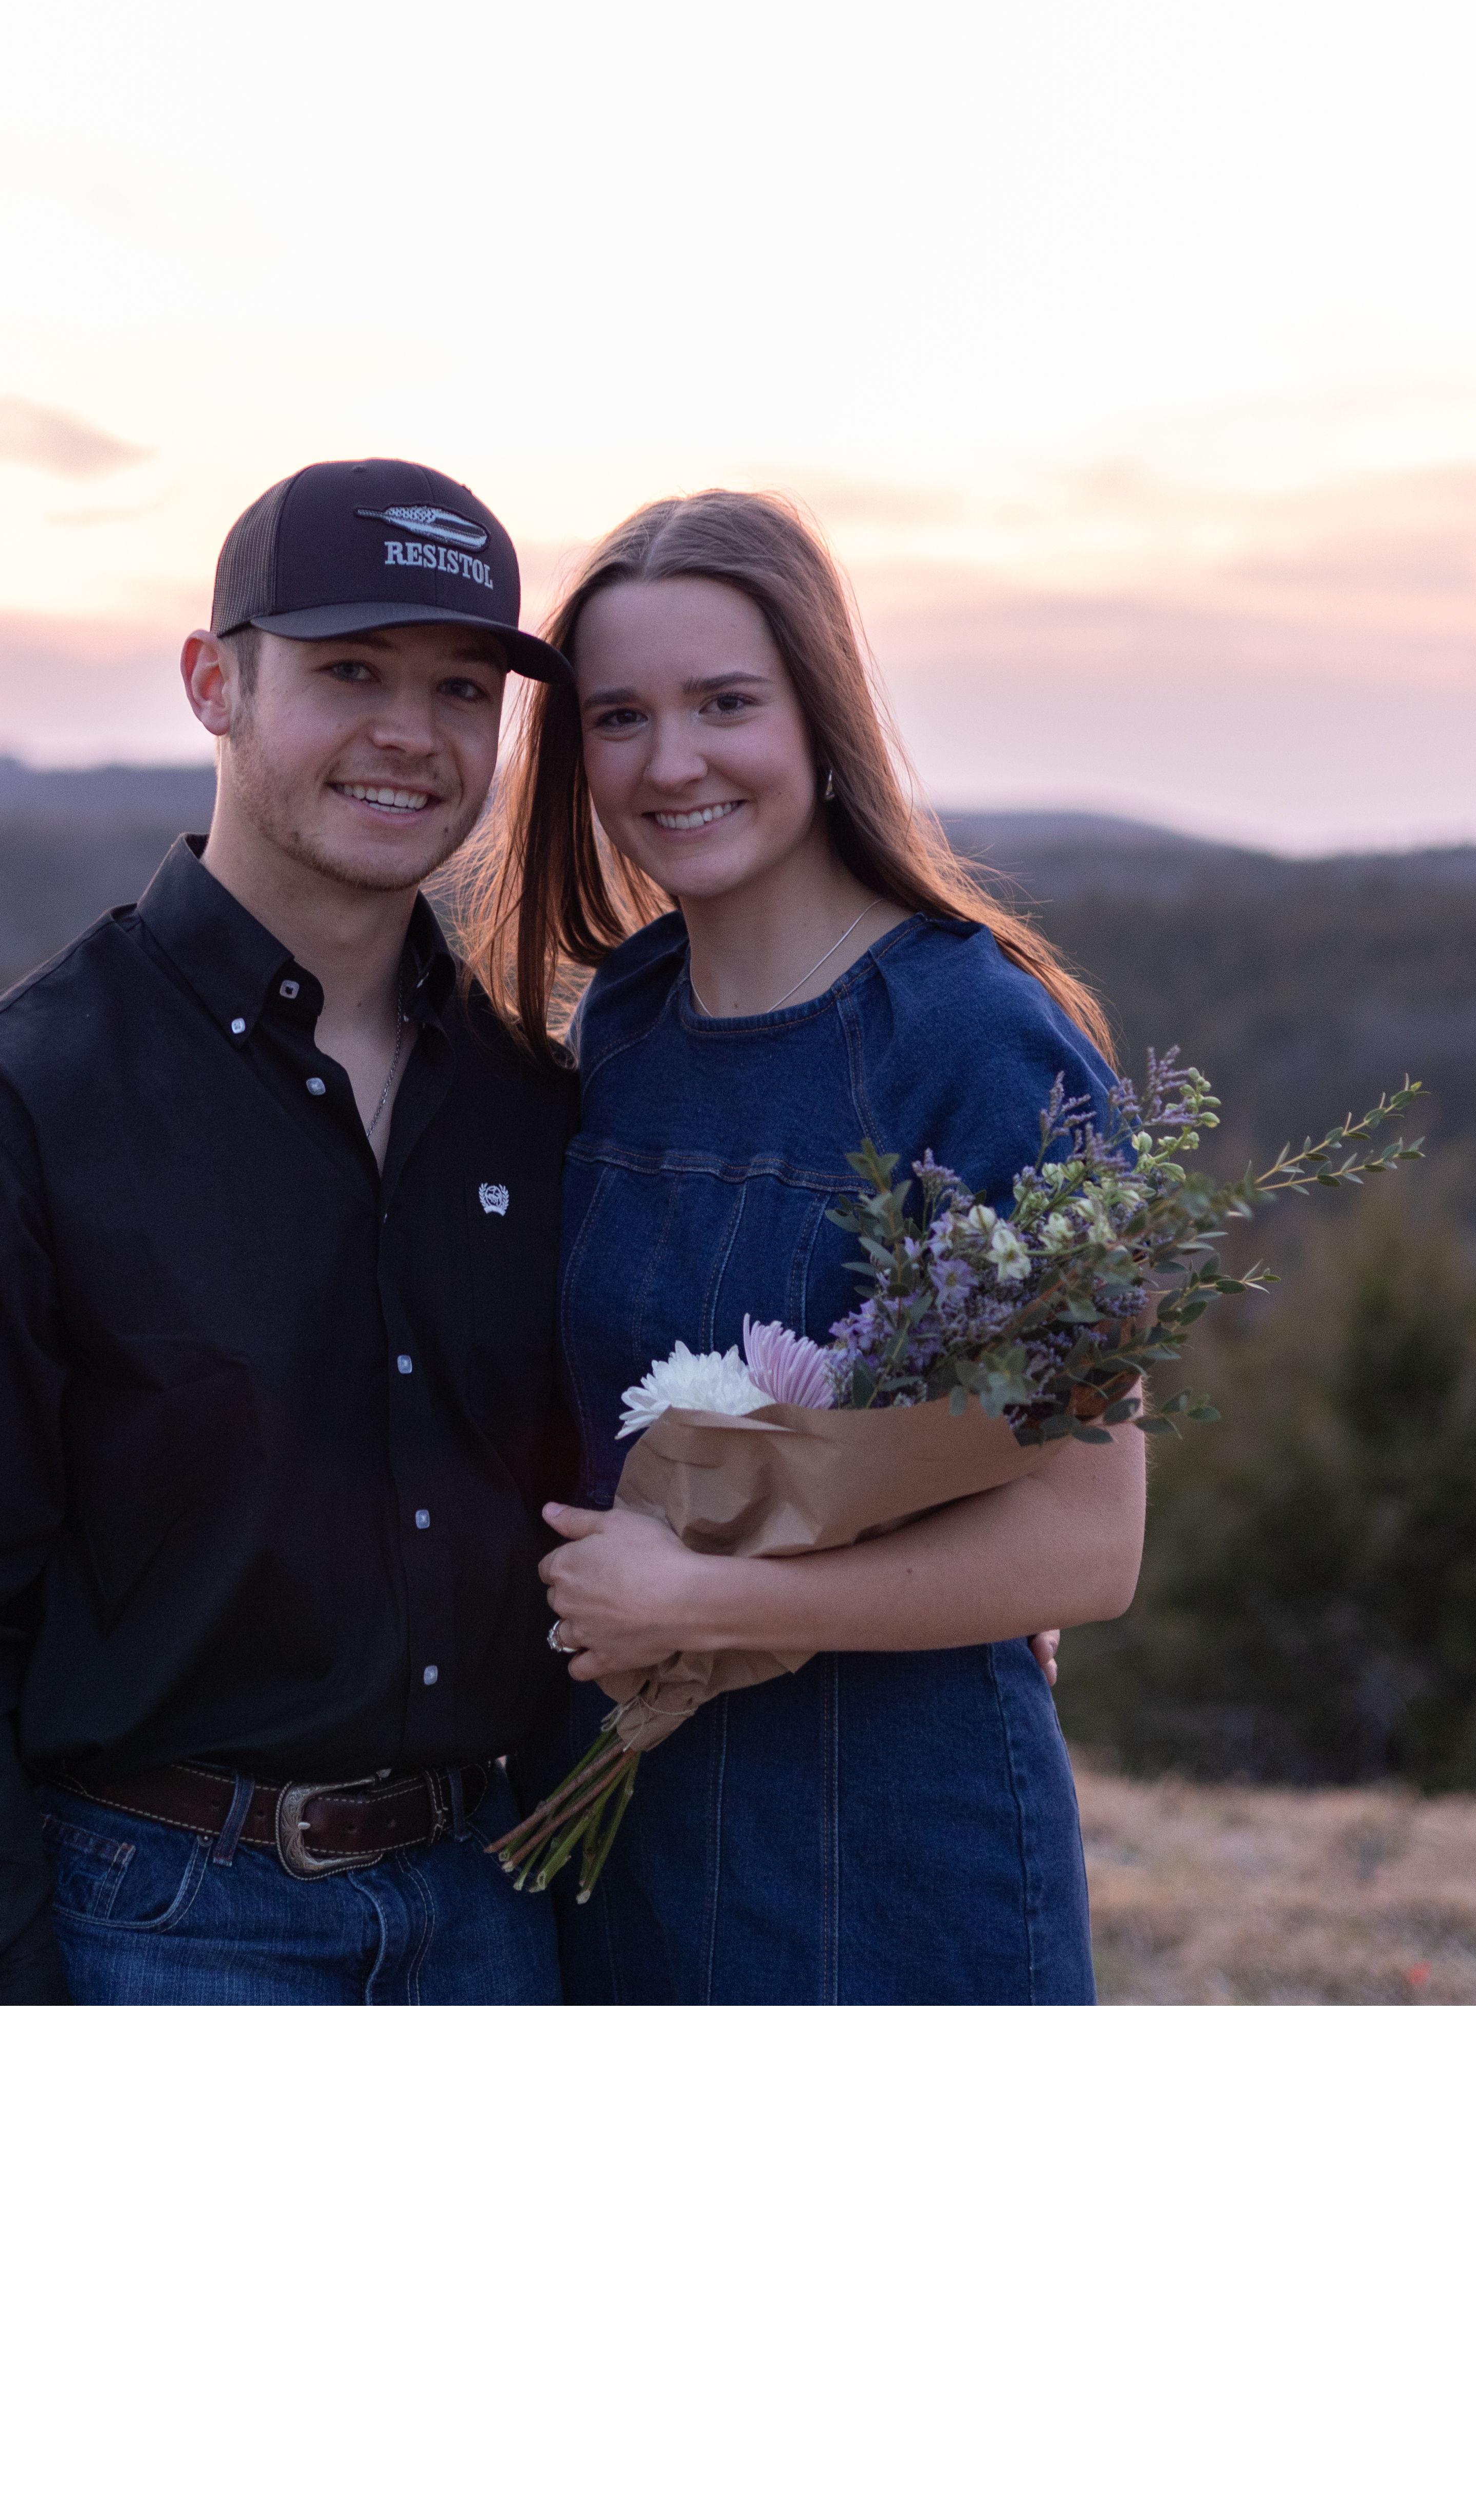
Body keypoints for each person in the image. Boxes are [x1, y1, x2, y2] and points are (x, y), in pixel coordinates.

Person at [0, 459, 580, 2004]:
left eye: (462, 689)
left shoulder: (530, 1107)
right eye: (352, 673)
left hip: (496, 1913)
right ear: (214, 683)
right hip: (163, 1925)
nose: (412, 734)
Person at [463, 490, 1147, 2004]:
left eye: (726, 703)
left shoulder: (980, 1044)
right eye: (622, 717)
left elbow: (1090, 1547)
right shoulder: (627, 1022)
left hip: (897, 1837)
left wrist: (715, 1603)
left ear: (822, 713)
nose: (672, 762)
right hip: (632, 1818)